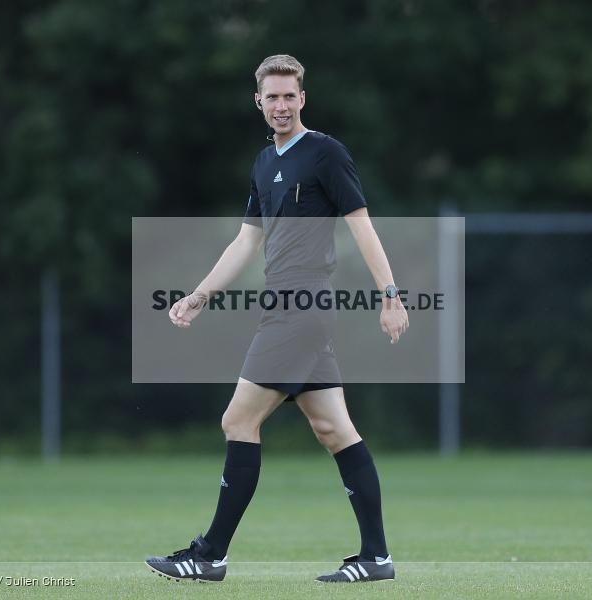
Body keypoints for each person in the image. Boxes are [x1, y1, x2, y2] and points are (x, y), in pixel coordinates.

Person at [145, 54, 409, 584]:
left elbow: (361, 224)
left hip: (301, 310)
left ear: (303, 98)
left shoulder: (326, 153)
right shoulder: (264, 163)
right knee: (334, 429)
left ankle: (210, 555)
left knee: (237, 422)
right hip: (289, 309)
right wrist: (200, 294)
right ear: (258, 102)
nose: (282, 105)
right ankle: (376, 558)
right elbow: (247, 241)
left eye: (290, 96)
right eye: (273, 97)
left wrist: (390, 294)